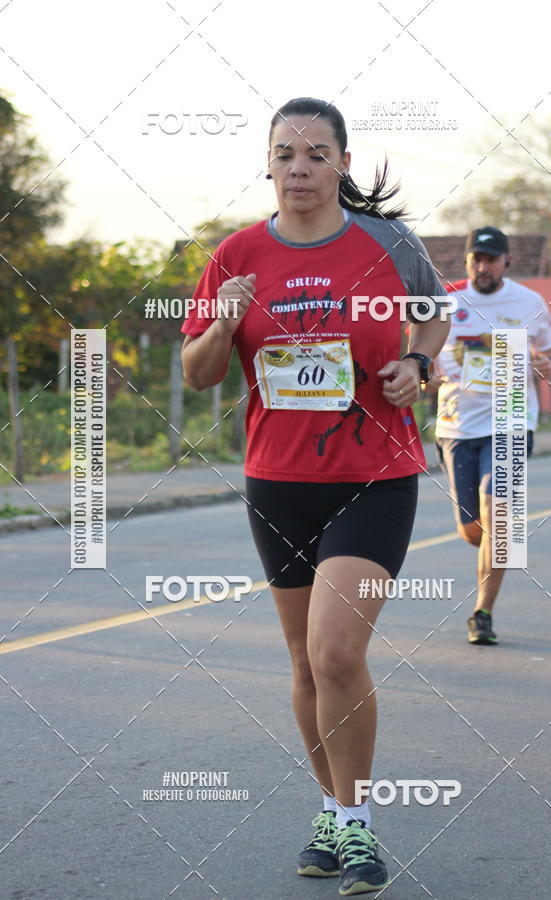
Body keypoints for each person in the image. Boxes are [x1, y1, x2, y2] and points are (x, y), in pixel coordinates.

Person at [181, 96, 449, 896]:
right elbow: (199, 375)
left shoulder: (388, 245)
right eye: (285, 155)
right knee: (303, 661)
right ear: (268, 164)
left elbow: (434, 317)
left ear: (341, 163)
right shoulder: (235, 256)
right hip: (278, 482)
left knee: (337, 651)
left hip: (375, 477)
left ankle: (358, 827)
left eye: (315, 154)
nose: (299, 168)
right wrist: (221, 327)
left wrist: (419, 367)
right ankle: (331, 811)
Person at [428, 226, 551, 645]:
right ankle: (491, 544)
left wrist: (547, 365)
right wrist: (425, 376)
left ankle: (481, 612)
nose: (482, 266)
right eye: (475, 259)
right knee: (473, 529)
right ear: (466, 262)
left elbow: (550, 353)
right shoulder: (446, 303)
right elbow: (423, 360)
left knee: (497, 514)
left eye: (490, 259)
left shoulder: (530, 303)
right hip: (457, 426)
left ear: (507, 262)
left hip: (511, 420)